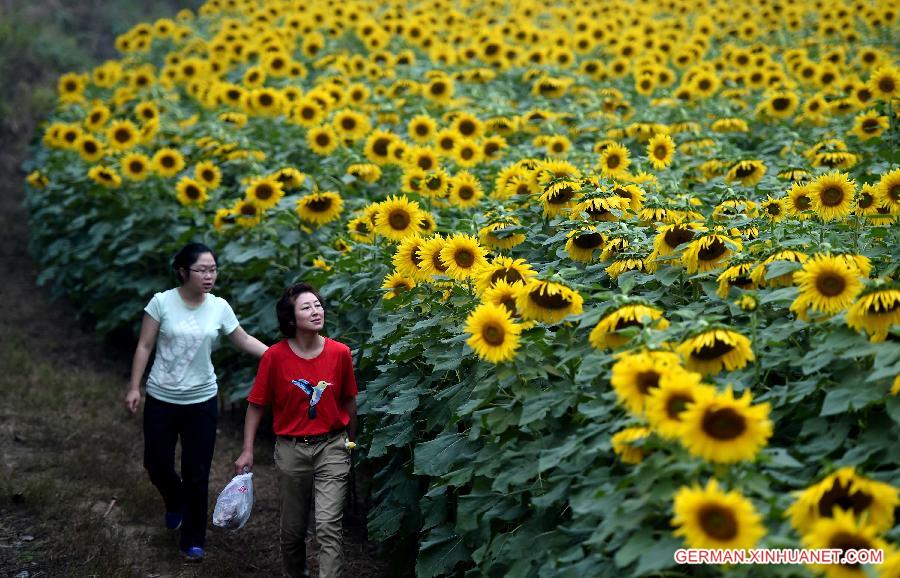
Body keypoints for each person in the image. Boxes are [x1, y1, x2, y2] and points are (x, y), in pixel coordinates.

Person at [124, 242, 267, 561]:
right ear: (183, 271)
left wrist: (277, 356)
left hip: (202, 400)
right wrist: (135, 387)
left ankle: (193, 539)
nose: (209, 276)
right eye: (202, 270)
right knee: (156, 464)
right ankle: (175, 501)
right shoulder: (161, 302)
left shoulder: (219, 306)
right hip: (161, 396)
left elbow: (242, 339)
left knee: (197, 471)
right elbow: (145, 346)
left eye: (213, 270)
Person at [235, 282, 358, 578]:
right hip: (291, 449)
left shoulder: (339, 353)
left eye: (318, 305)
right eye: (307, 307)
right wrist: (248, 449)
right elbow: (256, 405)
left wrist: (351, 441)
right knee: (292, 532)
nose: (316, 311)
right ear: (290, 319)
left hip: (332, 446)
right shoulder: (275, 357)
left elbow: (350, 400)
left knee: (329, 526)